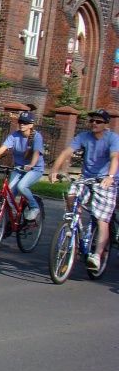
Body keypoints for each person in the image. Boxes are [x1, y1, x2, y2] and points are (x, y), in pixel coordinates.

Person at [49, 108, 119, 271]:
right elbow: (66, 152)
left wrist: (110, 176)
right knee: (71, 193)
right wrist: (54, 170)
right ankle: (74, 223)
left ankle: (96, 255)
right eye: (92, 121)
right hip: (87, 178)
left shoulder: (112, 138)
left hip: (105, 180)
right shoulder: (83, 137)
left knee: (102, 219)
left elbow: (115, 157)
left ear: (105, 124)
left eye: (98, 121)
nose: (94, 123)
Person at [0, 111, 44, 220]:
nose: (22, 124)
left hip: (34, 169)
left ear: (32, 124)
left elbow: (36, 152)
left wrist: (31, 165)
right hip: (19, 168)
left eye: (25, 123)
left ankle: (34, 207)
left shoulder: (37, 137)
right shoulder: (14, 135)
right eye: (20, 122)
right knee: (9, 195)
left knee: (22, 186)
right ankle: (6, 224)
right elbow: (3, 148)